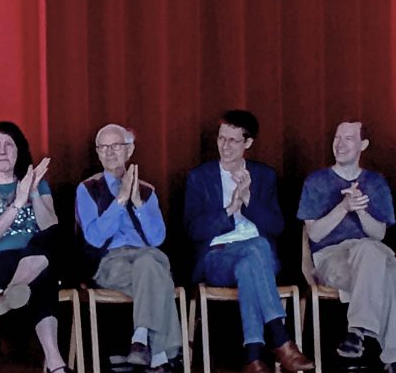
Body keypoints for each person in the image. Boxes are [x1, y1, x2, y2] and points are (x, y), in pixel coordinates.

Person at [183, 110, 313, 373]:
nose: (225, 146)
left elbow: (276, 226)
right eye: (222, 138)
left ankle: (253, 358)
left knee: (251, 260)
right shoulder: (200, 176)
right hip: (217, 257)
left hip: (259, 260)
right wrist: (230, 209)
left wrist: (248, 200)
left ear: (248, 143)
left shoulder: (264, 176)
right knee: (257, 248)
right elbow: (193, 230)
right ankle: (280, 338)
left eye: (233, 140)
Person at [76, 124, 182, 373]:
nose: (109, 152)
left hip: (147, 255)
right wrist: (120, 201)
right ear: (97, 152)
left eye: (116, 146)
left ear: (129, 150)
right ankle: (160, 355)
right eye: (103, 147)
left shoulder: (147, 190)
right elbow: (94, 238)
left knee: (148, 261)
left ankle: (141, 339)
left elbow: (157, 238)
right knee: (158, 276)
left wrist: (138, 204)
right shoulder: (87, 189)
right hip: (111, 262)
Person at [0, 121, 69, 373]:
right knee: (45, 276)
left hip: (35, 255)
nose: (2, 151)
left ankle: (12, 291)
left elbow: (50, 228)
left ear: (18, 150)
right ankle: (56, 365)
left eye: (9, 145)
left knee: (53, 239)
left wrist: (33, 192)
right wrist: (18, 202)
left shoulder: (36, 183)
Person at [298, 121, 396, 371]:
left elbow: (379, 234)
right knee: (389, 271)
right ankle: (389, 355)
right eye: (337, 137)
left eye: (349, 138)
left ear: (363, 145)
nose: (340, 144)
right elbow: (315, 234)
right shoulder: (316, 181)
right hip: (332, 258)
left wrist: (361, 211)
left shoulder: (376, 183)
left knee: (372, 252)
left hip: (370, 253)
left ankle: (357, 335)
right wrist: (344, 207)